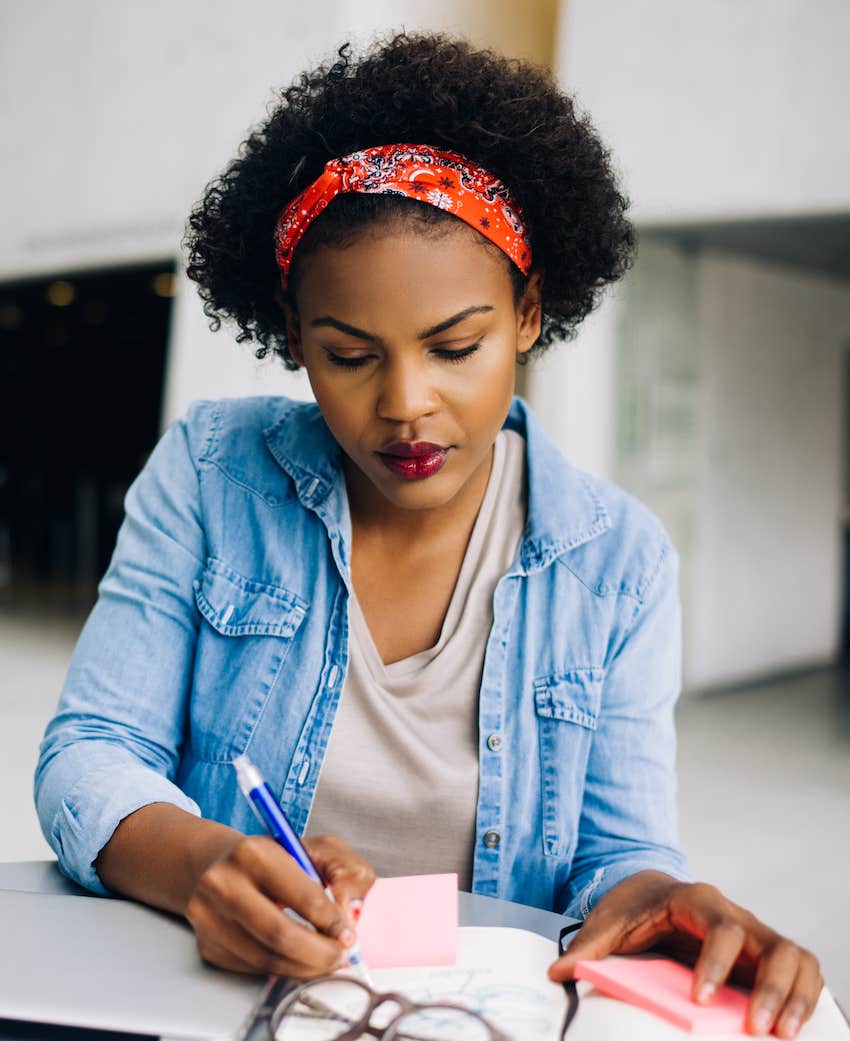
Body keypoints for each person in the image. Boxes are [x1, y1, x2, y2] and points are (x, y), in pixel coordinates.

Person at [35, 31, 821, 1038]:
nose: (406, 405)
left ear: (530, 314)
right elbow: (92, 750)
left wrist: (652, 894)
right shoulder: (211, 475)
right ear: (291, 337)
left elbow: (618, 854)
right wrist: (204, 867)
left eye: (456, 347)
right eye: (349, 355)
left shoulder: (617, 563)